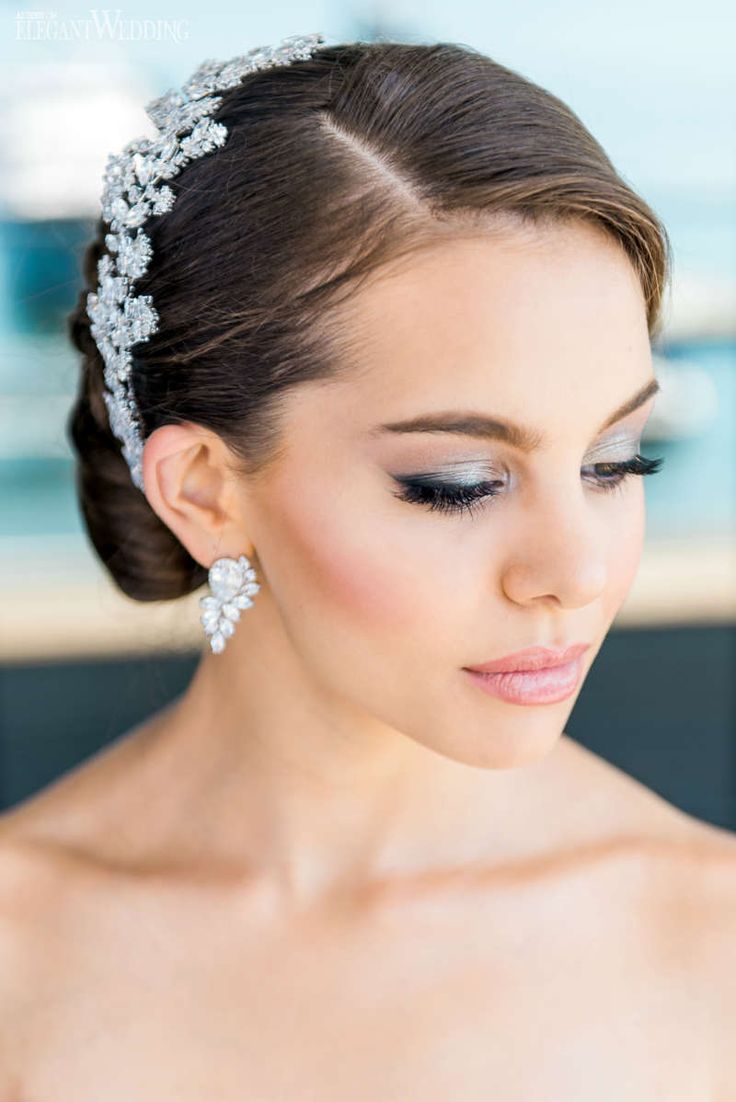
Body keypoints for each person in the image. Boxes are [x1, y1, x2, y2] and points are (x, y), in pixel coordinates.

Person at [0, 36, 733, 1099]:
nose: (574, 570)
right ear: (203, 488)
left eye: (614, 461)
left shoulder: (707, 944)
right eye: (459, 482)